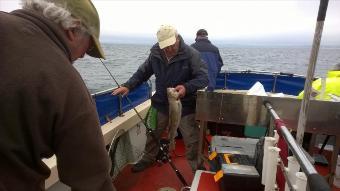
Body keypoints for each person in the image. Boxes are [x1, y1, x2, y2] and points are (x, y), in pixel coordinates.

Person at [0, 0, 115, 190]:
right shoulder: (67, 82)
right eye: (89, 45)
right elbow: (93, 180)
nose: (84, 55)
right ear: (72, 29)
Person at [112, 25, 208, 173]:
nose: (168, 49)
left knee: (191, 139)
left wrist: (186, 88)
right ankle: (148, 158)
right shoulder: (156, 54)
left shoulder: (191, 54)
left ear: (177, 38)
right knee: (152, 132)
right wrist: (128, 86)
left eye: (171, 45)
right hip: (161, 102)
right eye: (165, 46)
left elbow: (203, 77)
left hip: (185, 105)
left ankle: (197, 168)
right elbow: (143, 72)